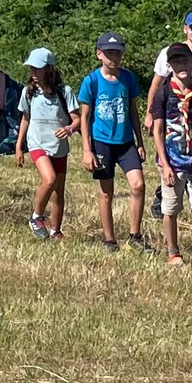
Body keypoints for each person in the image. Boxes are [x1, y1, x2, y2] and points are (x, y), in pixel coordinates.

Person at [147, 42, 192, 272]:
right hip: (172, 160)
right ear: (169, 66)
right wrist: (165, 164)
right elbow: (158, 131)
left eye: (185, 60)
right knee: (171, 208)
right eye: (176, 61)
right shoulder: (164, 92)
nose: (181, 65)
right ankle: (173, 252)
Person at [75, 33, 143, 249]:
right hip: (102, 142)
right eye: (109, 52)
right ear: (99, 54)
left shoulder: (128, 78)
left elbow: (133, 111)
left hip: (125, 142)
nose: (114, 56)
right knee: (106, 191)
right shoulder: (92, 81)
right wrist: (87, 150)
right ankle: (109, 238)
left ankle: (135, 235)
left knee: (138, 185)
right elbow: (84, 117)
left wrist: (139, 141)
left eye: (117, 52)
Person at [17, 49, 72, 239]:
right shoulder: (28, 93)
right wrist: (19, 146)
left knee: (58, 191)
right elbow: (25, 119)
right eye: (31, 67)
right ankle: (36, 216)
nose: (33, 72)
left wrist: (69, 129)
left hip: (59, 146)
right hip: (37, 143)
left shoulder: (64, 92)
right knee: (49, 179)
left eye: (37, 68)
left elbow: (77, 119)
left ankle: (55, 230)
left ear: (49, 69)